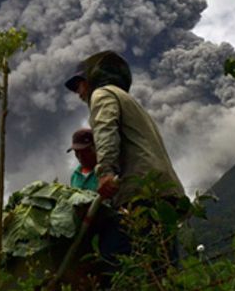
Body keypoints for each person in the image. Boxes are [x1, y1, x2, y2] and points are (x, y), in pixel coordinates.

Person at [64, 50, 184, 270]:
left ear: (91, 80)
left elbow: (105, 129)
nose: (77, 92)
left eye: (78, 84)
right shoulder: (130, 102)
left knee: (115, 265)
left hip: (139, 193)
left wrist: (106, 172)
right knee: (164, 267)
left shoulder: (102, 95)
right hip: (163, 192)